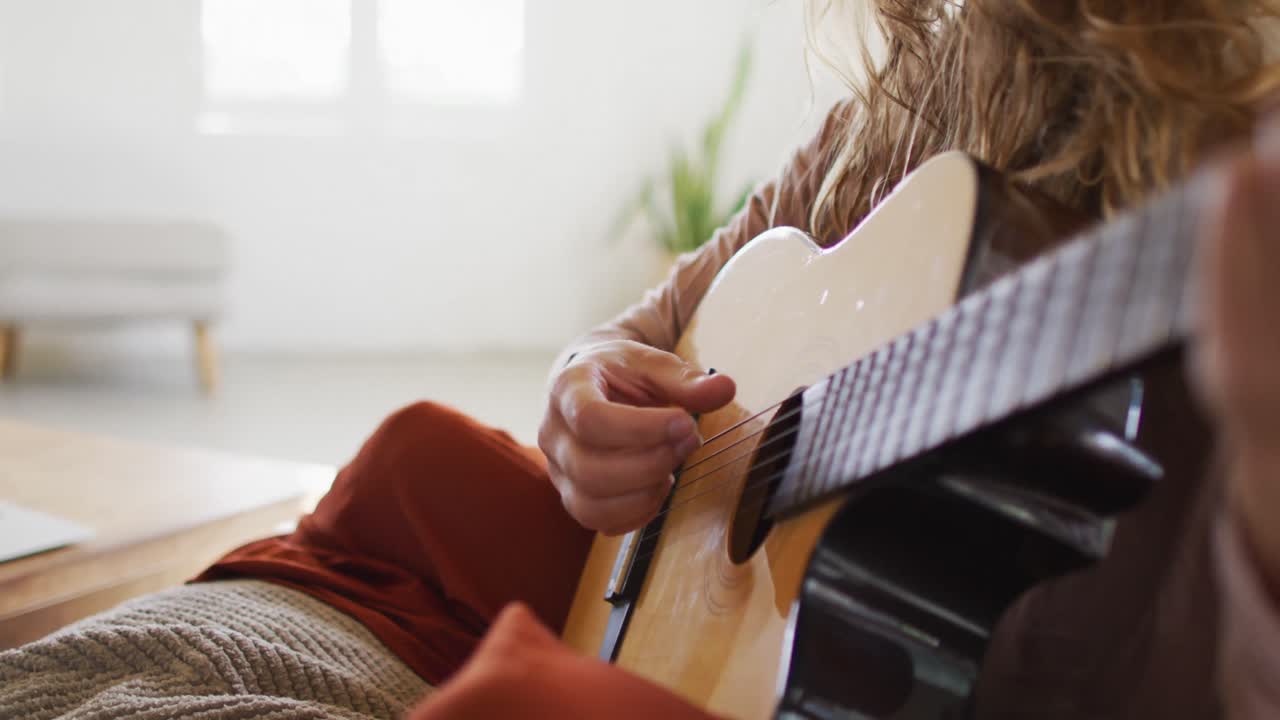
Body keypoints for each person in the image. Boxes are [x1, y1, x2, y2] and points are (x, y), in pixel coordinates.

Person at [2, 1, 1277, 718]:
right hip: (733, 622)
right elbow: (651, 322)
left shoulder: (1241, 147)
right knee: (418, 454)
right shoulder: (902, 104)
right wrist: (584, 390)